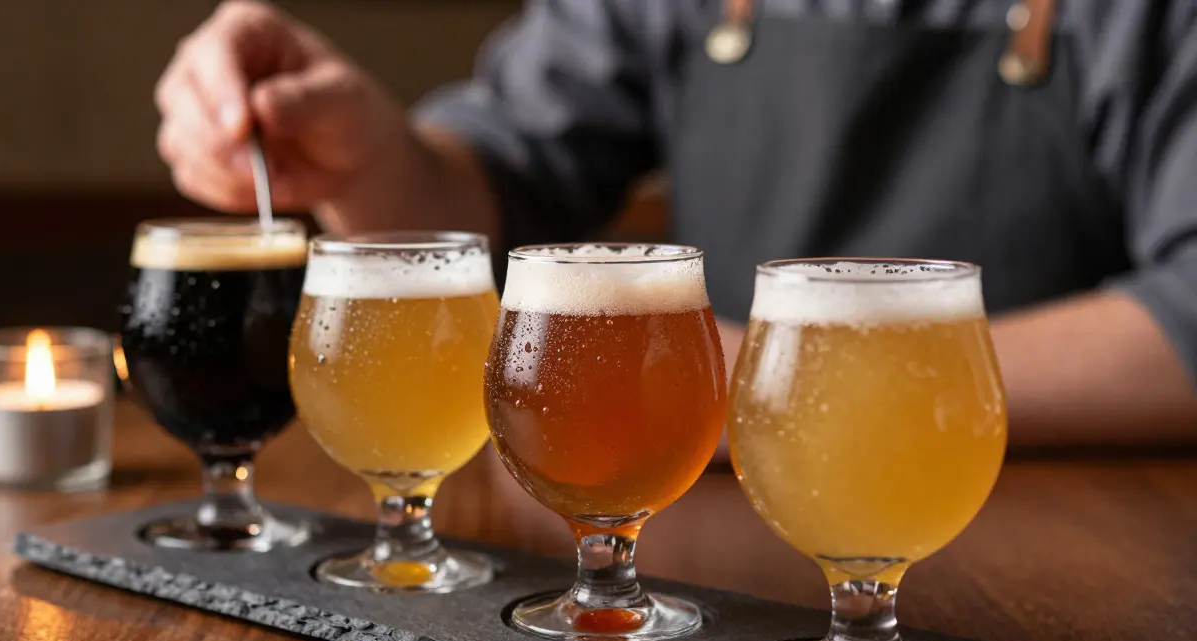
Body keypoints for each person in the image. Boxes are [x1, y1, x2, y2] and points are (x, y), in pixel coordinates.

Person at [154, 0, 1197, 447]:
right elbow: (500, 193)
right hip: (719, 530)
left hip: (1092, 543)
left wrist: (769, 388)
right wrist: (368, 157)